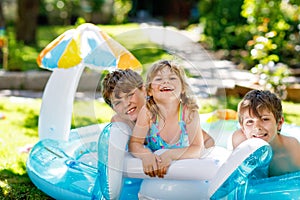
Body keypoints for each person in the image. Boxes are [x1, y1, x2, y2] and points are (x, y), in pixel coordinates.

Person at [128, 60, 207, 178]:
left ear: (183, 88)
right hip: (157, 175)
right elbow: (134, 143)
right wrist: (146, 155)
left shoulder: (189, 113)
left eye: (172, 78)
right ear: (150, 90)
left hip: (183, 170)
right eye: (158, 79)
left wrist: (170, 155)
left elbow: (198, 149)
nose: (165, 81)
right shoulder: (148, 112)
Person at [102, 69, 214, 147]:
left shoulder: (166, 114)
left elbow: (208, 141)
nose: (126, 104)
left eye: (130, 95)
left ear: (145, 90)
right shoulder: (121, 123)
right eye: (118, 103)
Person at [232, 89, 300, 176]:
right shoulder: (240, 142)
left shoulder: (292, 149)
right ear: (243, 128)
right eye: (250, 121)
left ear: (279, 123)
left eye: (265, 119)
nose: (257, 127)